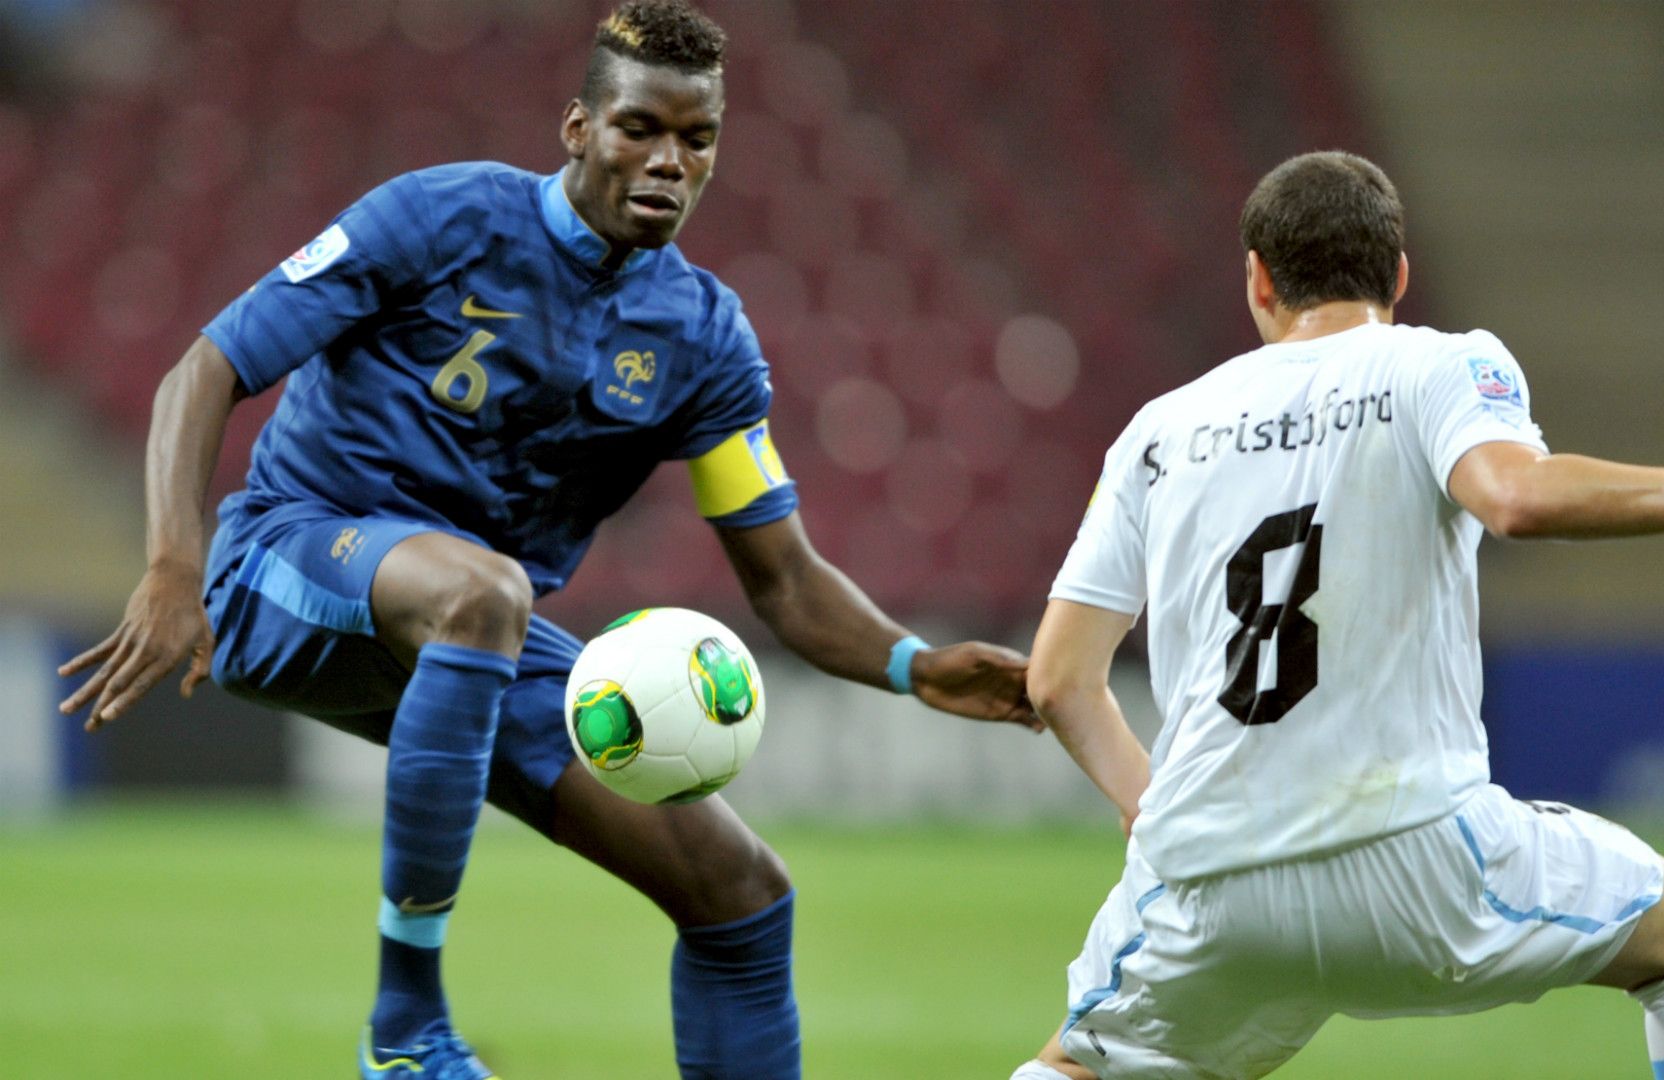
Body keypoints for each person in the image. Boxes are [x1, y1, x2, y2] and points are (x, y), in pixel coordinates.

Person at [54, 3, 1039, 1078]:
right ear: (578, 128)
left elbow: (789, 580)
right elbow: (206, 368)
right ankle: (406, 1028)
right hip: (286, 568)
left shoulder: (704, 341)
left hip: (474, 638)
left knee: (741, 897)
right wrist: (170, 567)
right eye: (639, 129)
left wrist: (913, 663)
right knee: (485, 593)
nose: (668, 161)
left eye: (696, 139)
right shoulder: (439, 219)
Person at [1009, 151, 1664, 1080]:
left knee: (1077, 1064)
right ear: (1398, 273)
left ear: (1258, 281)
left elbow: (1059, 679)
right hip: (1413, 860)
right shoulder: (1439, 365)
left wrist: (1148, 806)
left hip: (1206, 879)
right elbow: (1515, 497)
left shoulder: (1158, 430)